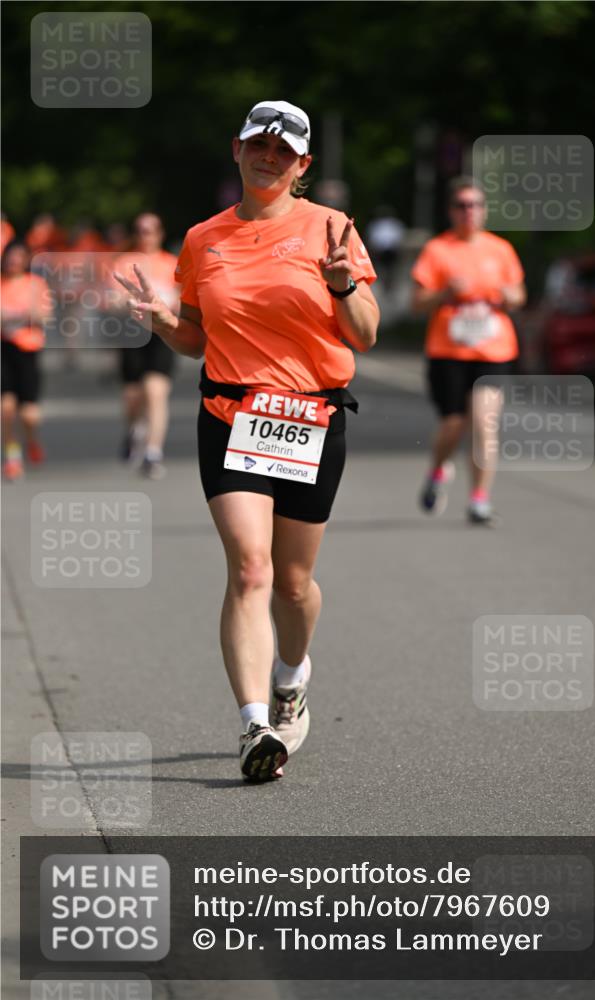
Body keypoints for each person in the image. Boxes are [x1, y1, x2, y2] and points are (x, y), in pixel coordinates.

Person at [115, 100, 379, 780]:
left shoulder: (331, 227)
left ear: (303, 166)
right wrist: (160, 321)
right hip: (232, 417)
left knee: (292, 585)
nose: (270, 157)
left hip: (310, 419)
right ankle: (254, 725)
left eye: (285, 151)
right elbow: (196, 339)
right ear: (236, 149)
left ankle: (291, 678)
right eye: (259, 144)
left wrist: (343, 284)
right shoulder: (204, 238)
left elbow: (365, 333)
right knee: (250, 569)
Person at [412, 177, 526, 524]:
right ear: (451, 211)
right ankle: (437, 470)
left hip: (494, 351)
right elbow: (417, 303)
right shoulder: (438, 250)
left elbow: (520, 295)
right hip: (448, 351)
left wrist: (510, 297)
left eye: (475, 204)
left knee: (483, 422)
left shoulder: (500, 249)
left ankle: (479, 499)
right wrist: (444, 293)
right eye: (462, 205)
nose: (469, 211)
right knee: (452, 425)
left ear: (484, 210)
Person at [113, 214, 180, 478]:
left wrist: (170, 305)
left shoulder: (172, 263)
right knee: (132, 396)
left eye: (151, 230)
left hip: (161, 333)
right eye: (141, 230)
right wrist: (128, 302)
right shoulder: (124, 262)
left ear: (160, 233)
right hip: (132, 332)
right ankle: (134, 430)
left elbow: (183, 298)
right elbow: (112, 298)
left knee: (155, 390)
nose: (146, 235)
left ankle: (153, 452)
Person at [1, 242, 52, 479]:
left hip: (27, 350)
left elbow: (44, 317)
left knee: (29, 414)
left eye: (18, 258)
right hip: (4, 348)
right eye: (10, 258)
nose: (13, 262)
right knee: (7, 408)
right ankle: (12, 457)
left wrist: (22, 315)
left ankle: (31, 440)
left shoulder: (36, 284)